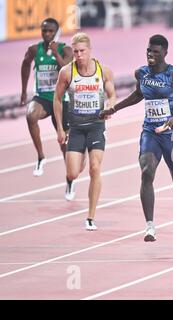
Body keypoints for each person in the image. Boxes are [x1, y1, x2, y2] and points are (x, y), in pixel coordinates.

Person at [99, 34, 173, 242]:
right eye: (148, 50)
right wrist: (114, 108)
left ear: (165, 53)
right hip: (150, 133)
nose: (150, 55)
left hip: (172, 135)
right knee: (146, 171)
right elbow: (138, 95)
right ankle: (150, 226)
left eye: (155, 51)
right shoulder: (141, 73)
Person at [54, 32, 116, 231]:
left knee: (95, 168)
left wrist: (110, 107)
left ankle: (90, 216)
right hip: (76, 128)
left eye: (82, 51)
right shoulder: (67, 72)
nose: (79, 55)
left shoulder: (103, 71)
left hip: (96, 126)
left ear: (90, 50)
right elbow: (57, 99)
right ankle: (74, 172)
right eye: (75, 52)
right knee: (73, 172)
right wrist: (60, 129)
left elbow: (112, 94)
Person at [20, 18, 73, 186]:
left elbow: (66, 68)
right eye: (44, 31)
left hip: (61, 99)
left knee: (64, 142)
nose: (47, 34)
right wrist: (23, 90)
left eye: (50, 31)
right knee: (30, 115)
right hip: (42, 98)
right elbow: (25, 64)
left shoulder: (66, 49)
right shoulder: (34, 49)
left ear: (56, 32)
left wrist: (56, 52)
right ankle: (41, 156)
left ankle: (69, 177)